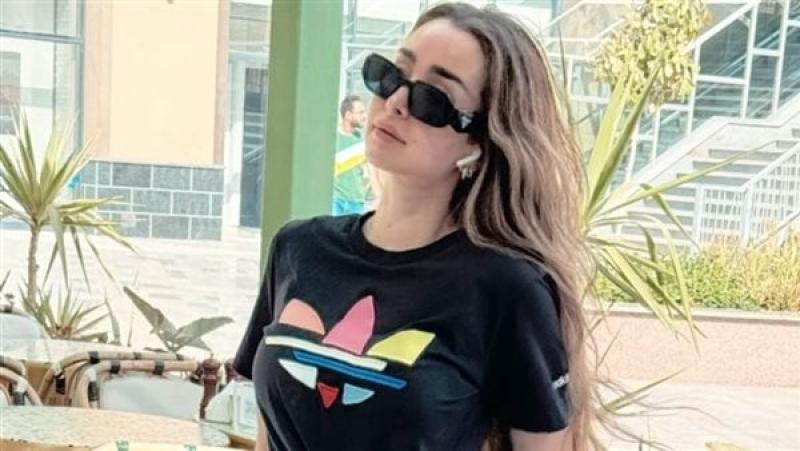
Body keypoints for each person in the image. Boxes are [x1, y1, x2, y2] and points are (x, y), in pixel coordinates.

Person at [234, 3, 595, 450]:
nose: (397, 102)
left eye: (432, 98)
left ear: (481, 140)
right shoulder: (298, 248)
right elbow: (268, 434)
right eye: (390, 76)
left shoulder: (507, 286)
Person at [332, 94, 369, 215]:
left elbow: (367, 172)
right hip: (336, 200)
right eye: (360, 112)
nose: (364, 116)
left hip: (356, 202)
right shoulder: (332, 138)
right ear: (348, 115)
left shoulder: (361, 141)